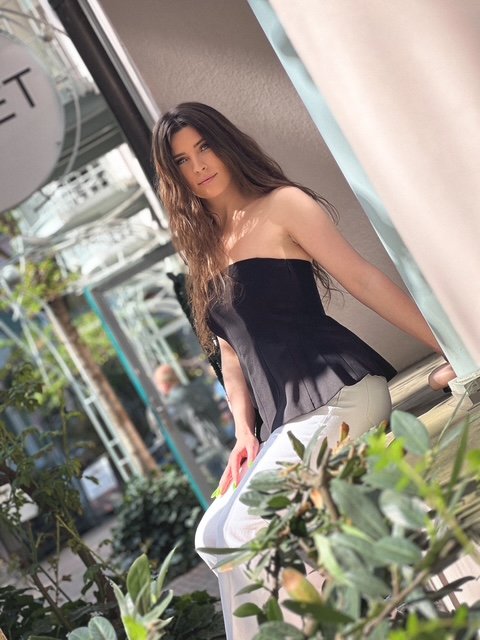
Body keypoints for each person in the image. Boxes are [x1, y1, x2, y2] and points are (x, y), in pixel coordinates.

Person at [151, 102, 455, 638]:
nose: (198, 165)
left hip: (340, 391)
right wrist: (243, 432)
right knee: (213, 536)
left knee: (245, 529)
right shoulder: (203, 249)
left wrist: (453, 345)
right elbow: (231, 354)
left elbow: (362, 279)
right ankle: (347, 616)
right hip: (285, 422)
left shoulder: (282, 205)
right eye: (181, 161)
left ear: (225, 144)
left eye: (204, 147)